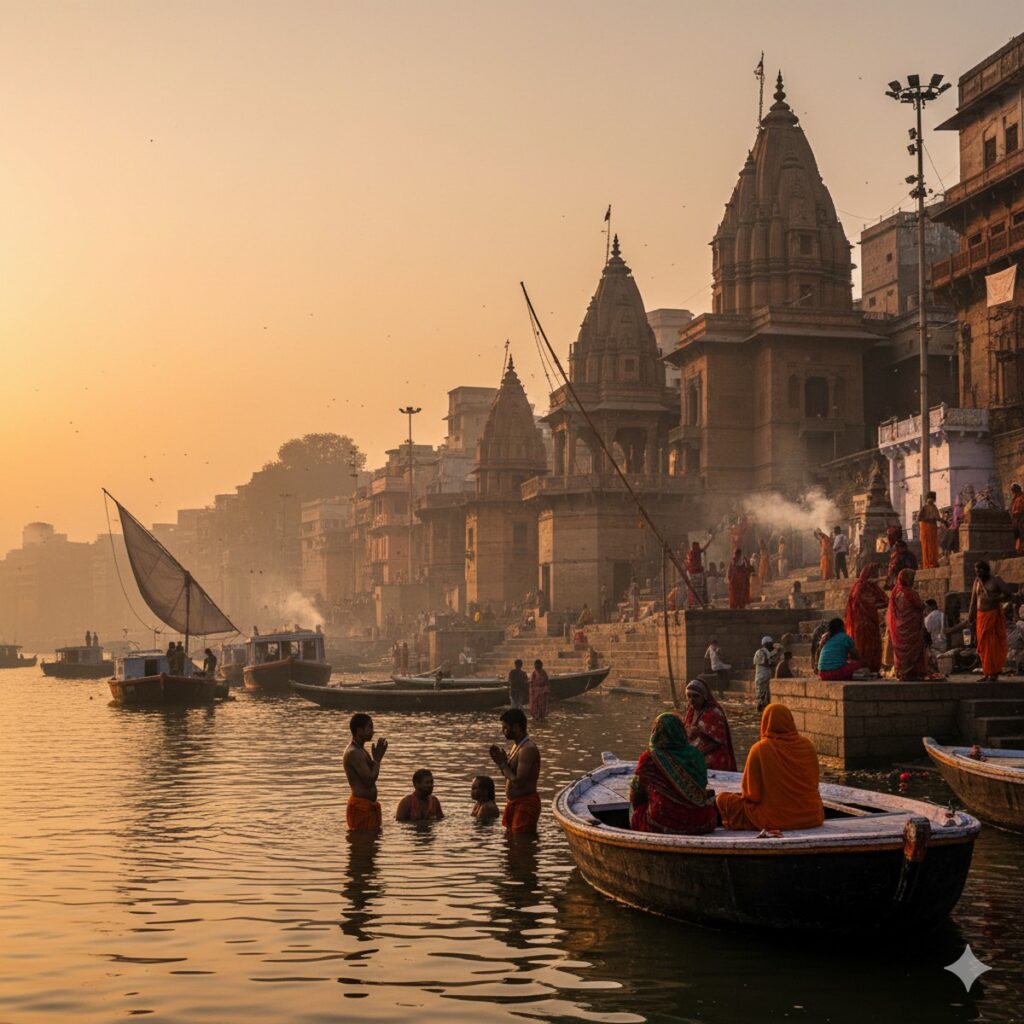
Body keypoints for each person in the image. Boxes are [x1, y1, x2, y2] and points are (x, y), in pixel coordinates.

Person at [716, 704, 825, 831]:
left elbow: (751, 795)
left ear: (765, 723)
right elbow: (814, 783)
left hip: (774, 819)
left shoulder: (760, 749)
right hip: (812, 816)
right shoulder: (807, 746)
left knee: (723, 799)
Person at [629, 712, 719, 834]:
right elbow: (701, 789)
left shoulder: (649, 757)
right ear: (680, 731)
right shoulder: (696, 755)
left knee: (636, 812)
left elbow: (635, 794)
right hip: (700, 823)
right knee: (709, 811)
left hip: (660, 823)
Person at [489, 708, 541, 834]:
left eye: (505, 728)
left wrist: (503, 764)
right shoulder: (516, 746)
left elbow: (519, 782)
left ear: (516, 727)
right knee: (511, 843)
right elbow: (509, 775)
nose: (503, 731)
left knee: (521, 842)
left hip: (525, 803)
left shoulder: (527, 749)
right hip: (514, 803)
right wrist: (500, 763)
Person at [968, 560, 1014, 682]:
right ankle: (987, 672)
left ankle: (993, 673)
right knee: (982, 645)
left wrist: (996, 599)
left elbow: (1008, 594)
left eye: (980, 570)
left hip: (993, 616)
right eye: (976, 571)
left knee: (992, 645)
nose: (978, 573)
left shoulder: (996, 580)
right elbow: (973, 600)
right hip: (980, 617)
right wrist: (970, 615)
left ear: (986, 570)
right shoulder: (977, 581)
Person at [344, 713, 388, 832]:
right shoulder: (354, 752)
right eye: (370, 727)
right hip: (360, 808)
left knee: (371, 841)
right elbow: (369, 780)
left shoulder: (361, 750)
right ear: (359, 730)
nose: (373, 731)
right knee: (362, 841)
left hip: (368, 807)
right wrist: (377, 761)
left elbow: (371, 775)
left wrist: (376, 760)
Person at [682, 679, 737, 772]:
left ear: (704, 696)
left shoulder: (714, 713)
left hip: (713, 756)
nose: (691, 700)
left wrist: (697, 753)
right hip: (694, 754)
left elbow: (717, 742)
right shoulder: (691, 711)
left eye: (695, 696)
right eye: (689, 696)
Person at [844, 563, 887, 674]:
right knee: (862, 647)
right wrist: (876, 604)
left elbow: (885, 600)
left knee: (872, 646)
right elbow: (867, 602)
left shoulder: (872, 587)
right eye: (875, 575)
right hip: (861, 623)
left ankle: (872, 668)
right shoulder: (860, 587)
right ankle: (861, 667)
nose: (877, 577)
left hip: (871, 622)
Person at [887, 569, 929, 680]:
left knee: (902, 651)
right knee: (914, 649)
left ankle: (902, 672)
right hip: (911, 628)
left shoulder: (895, 592)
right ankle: (913, 672)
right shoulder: (910, 593)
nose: (913, 581)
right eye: (912, 579)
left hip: (899, 628)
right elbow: (920, 606)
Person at [752, 636, 778, 713]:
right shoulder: (760, 652)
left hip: (767, 677)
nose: (772, 645)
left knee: (767, 698)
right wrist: (773, 663)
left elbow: (770, 658)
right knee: (761, 696)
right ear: (766, 644)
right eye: (770, 643)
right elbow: (765, 663)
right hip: (761, 678)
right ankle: (760, 711)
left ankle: (765, 711)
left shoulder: (767, 652)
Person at [918, 492, 942, 569]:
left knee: (934, 546)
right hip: (926, 529)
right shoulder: (924, 508)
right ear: (927, 499)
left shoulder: (934, 507)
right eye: (930, 499)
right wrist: (928, 519)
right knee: (927, 546)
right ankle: (928, 564)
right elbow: (919, 518)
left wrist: (944, 521)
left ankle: (934, 562)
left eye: (932, 499)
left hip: (933, 529)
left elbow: (938, 518)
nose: (931, 501)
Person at [685, 540, 710, 608]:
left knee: (699, 589)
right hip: (693, 573)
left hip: (697, 572)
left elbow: (704, 547)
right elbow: (689, 562)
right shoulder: (691, 553)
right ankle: (694, 603)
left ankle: (700, 603)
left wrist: (710, 540)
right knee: (694, 589)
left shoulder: (696, 552)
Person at [1011, 483, 1024, 555]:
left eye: (1013, 490)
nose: (1013, 492)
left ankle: (1022, 548)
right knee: (1015, 533)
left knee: (1021, 532)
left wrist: (1018, 511)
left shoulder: (1022, 497)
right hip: (1015, 519)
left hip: (1021, 518)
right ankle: (1016, 549)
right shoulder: (1015, 498)